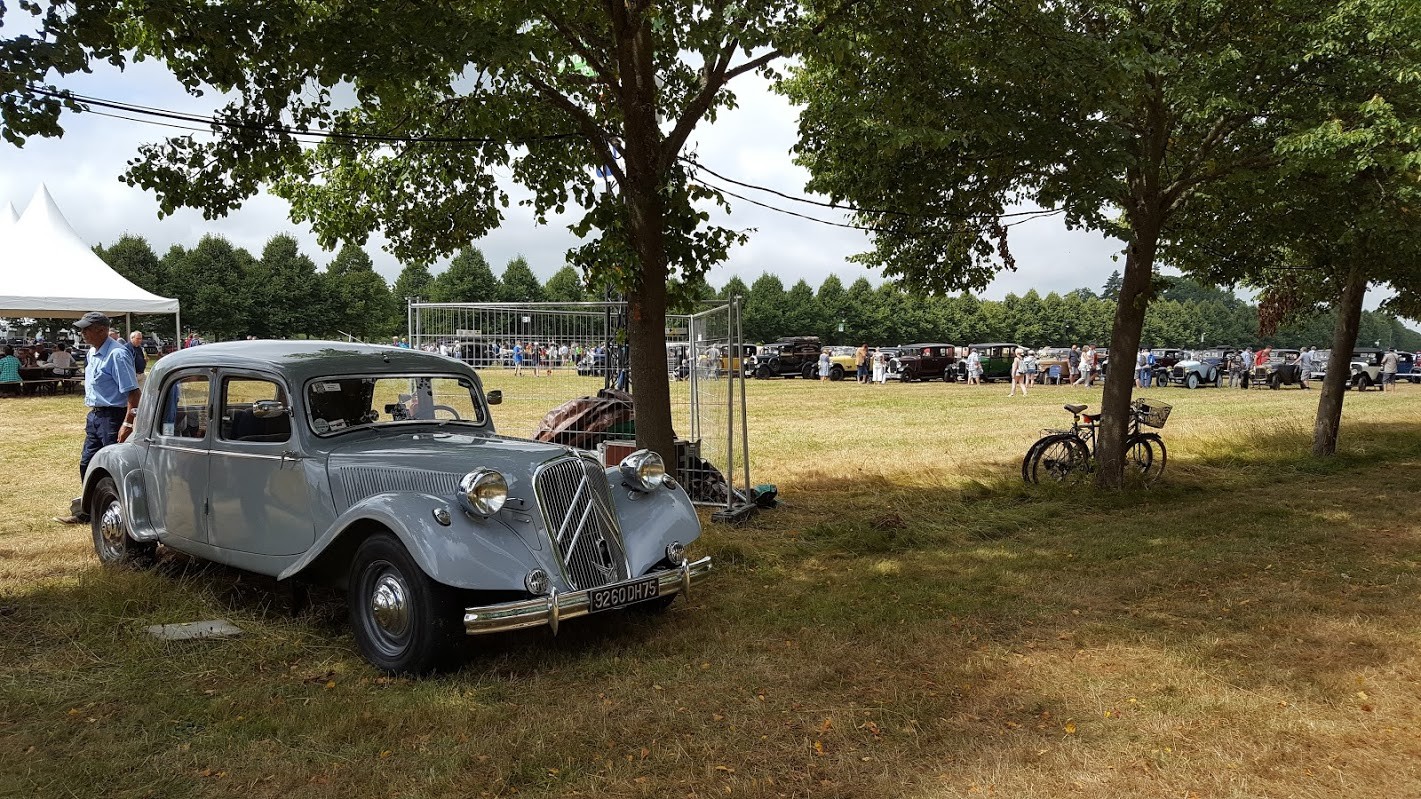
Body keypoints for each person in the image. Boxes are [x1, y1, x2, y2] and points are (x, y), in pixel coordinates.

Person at [55, 313, 142, 525]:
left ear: (102, 330)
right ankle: (88, 511)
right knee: (87, 463)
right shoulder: (92, 353)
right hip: (95, 416)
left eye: (87, 329)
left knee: (113, 466)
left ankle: (119, 512)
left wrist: (128, 423)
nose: (82, 333)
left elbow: (133, 393)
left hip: (113, 417)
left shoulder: (117, 354)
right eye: (82, 329)